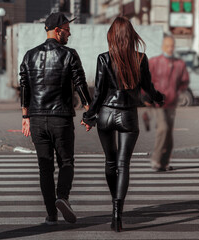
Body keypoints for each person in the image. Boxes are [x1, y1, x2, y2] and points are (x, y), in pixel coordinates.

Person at [81, 17, 164, 232]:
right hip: (128, 116)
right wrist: (158, 97)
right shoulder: (140, 58)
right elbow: (148, 87)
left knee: (110, 163)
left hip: (106, 114)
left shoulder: (103, 59)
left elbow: (98, 94)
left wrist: (89, 116)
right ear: (130, 36)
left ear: (112, 36)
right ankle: (118, 213)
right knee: (123, 165)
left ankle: (114, 202)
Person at [19, 12, 91, 226]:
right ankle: (62, 196)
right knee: (66, 162)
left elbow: (25, 86)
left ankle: (51, 214)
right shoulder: (69, 54)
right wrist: (90, 110)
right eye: (68, 30)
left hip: (38, 119)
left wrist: (25, 116)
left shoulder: (29, 55)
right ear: (58, 31)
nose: (70, 34)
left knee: (45, 167)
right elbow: (80, 83)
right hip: (61, 118)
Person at [146, 35, 189, 172]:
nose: (170, 48)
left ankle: (164, 163)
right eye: (167, 46)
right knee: (163, 129)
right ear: (163, 47)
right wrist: (147, 97)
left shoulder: (179, 64)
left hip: (171, 103)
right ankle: (156, 160)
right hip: (158, 103)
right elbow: (146, 80)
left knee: (169, 133)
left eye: (172, 46)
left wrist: (177, 91)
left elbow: (185, 80)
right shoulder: (154, 62)